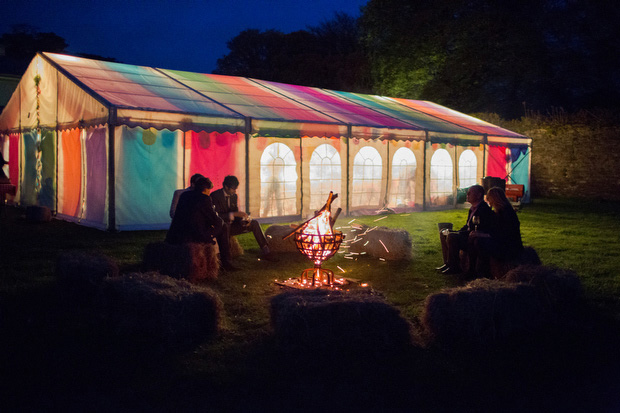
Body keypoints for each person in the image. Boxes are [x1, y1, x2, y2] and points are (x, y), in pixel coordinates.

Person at [165, 177, 238, 271]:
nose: (209, 193)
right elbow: (215, 220)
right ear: (206, 189)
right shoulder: (204, 198)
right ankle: (226, 262)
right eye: (209, 190)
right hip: (194, 235)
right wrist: (215, 228)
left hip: (177, 234)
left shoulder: (184, 196)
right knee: (223, 226)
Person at [210, 175, 277, 261]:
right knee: (226, 225)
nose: (235, 191)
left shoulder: (234, 196)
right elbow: (216, 216)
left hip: (233, 226)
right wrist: (233, 214)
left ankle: (266, 251)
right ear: (226, 187)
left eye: (236, 189)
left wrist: (242, 220)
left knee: (254, 223)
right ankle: (226, 258)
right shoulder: (215, 196)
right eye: (233, 189)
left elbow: (236, 213)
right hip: (222, 228)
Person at [436, 184, 494, 275]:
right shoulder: (473, 209)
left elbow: (477, 229)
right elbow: (467, 225)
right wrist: (457, 231)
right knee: (444, 232)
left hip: (473, 238)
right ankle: (448, 263)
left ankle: (455, 267)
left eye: (470, 193)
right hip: (468, 234)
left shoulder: (484, 209)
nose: (467, 195)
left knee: (451, 236)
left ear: (478, 195)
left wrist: (458, 234)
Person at [471, 186, 524, 278]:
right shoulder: (499, 211)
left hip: (509, 247)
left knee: (480, 242)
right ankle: (474, 269)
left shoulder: (506, 213)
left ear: (495, 198)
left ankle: (485, 272)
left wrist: (483, 234)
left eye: (489, 198)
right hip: (502, 242)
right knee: (476, 239)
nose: (488, 200)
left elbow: (502, 234)